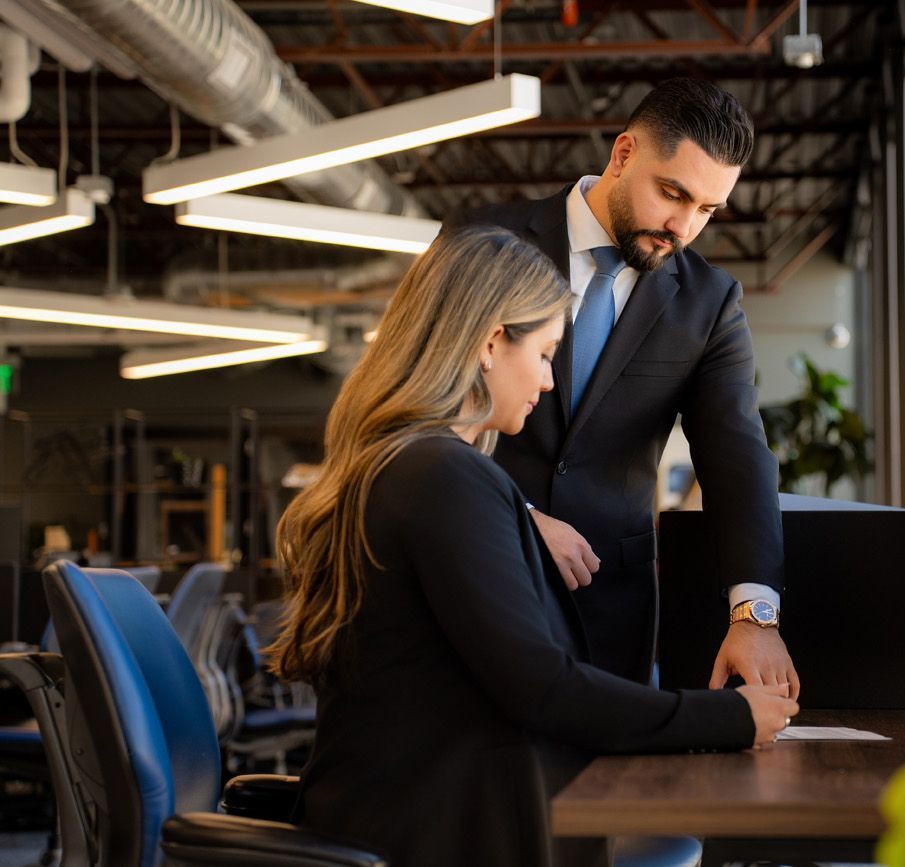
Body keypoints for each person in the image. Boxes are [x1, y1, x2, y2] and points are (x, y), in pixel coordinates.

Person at [266, 226, 799, 867]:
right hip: (440, 831)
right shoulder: (440, 476)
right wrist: (731, 719)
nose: (549, 382)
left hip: (417, 810)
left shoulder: (409, 465)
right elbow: (543, 689)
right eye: (547, 354)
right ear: (492, 342)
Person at [453, 78, 799, 693]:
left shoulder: (709, 303)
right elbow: (422, 405)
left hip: (609, 609)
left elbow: (737, 457)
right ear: (622, 155)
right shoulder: (485, 240)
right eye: (673, 193)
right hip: (474, 571)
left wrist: (755, 615)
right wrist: (517, 514)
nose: (683, 226)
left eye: (707, 210)